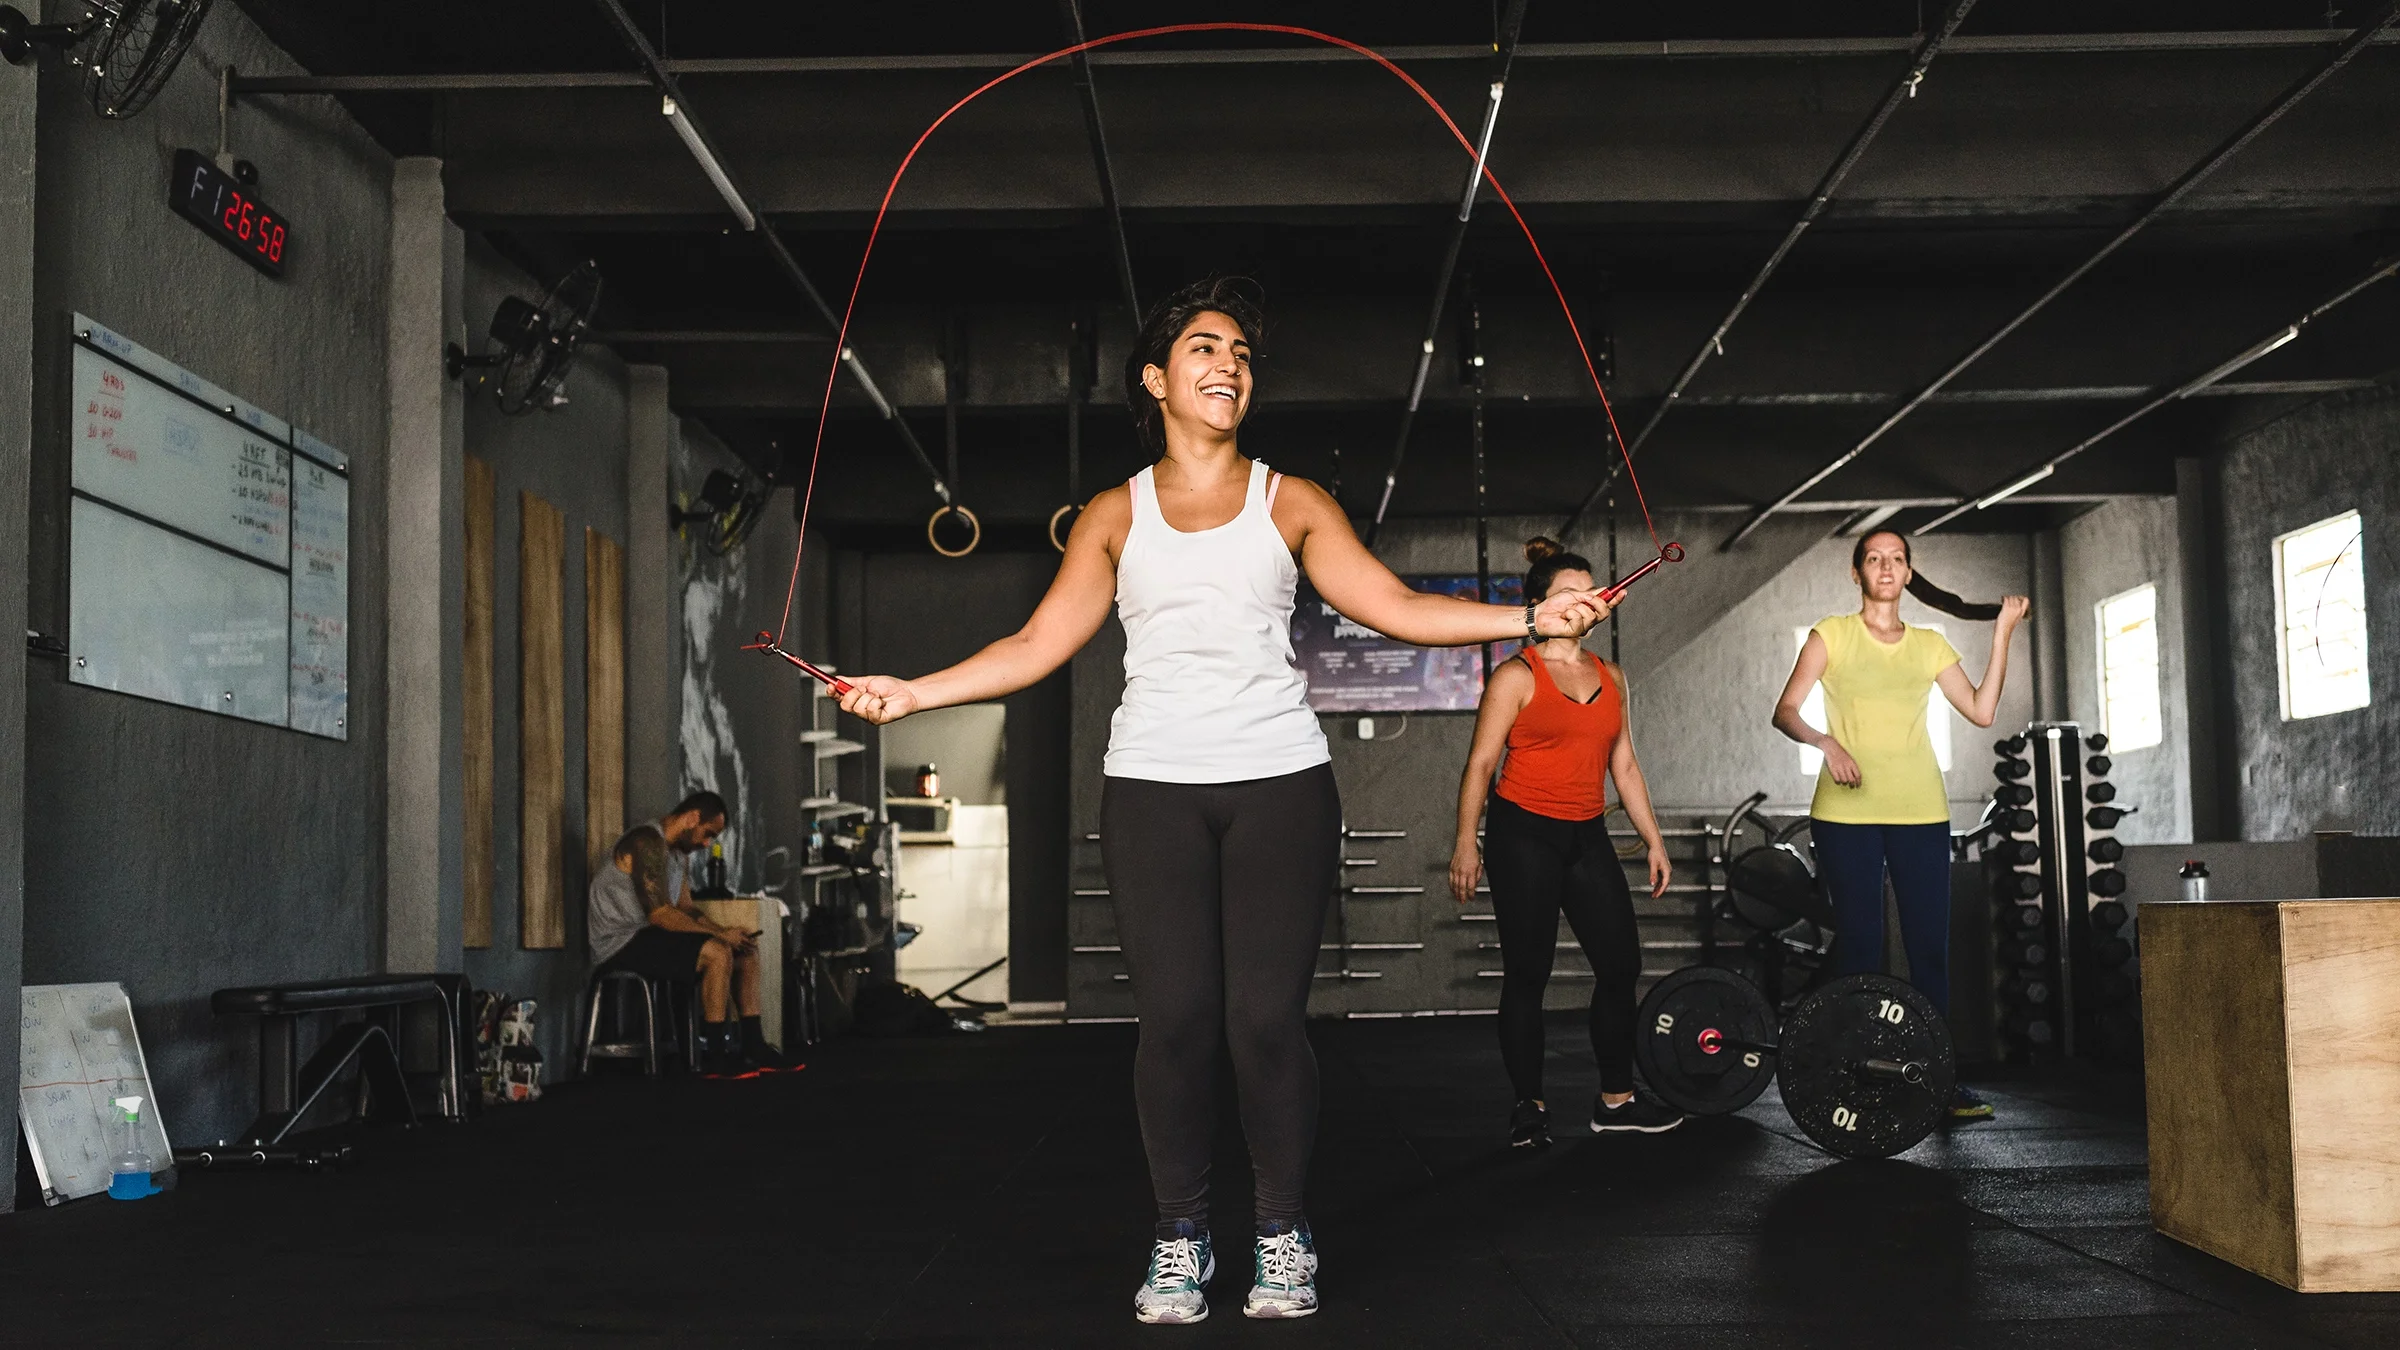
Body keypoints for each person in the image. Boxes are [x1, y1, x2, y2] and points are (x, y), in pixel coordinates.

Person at [833, 278, 1605, 1325]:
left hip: (1280, 781)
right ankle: (1180, 1235)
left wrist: (1531, 617)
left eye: (1240, 353)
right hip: (1153, 786)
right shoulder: (1115, 514)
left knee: (1264, 1024)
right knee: (1177, 1023)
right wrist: (913, 693)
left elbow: (1395, 605)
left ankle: (1283, 1233)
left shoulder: (1292, 502)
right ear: (1156, 380)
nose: (1228, 365)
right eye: (1205, 348)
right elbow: (1036, 643)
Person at [1771, 531, 2027, 1121]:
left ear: (1909, 573)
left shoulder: (1930, 645)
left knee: (1928, 949)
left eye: (1896, 559)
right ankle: (1854, 1074)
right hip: (1846, 814)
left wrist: (2002, 634)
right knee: (1861, 945)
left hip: (1921, 812)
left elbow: (1982, 710)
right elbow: (1785, 711)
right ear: (1856, 572)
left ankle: (1938, 1081)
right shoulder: (1831, 635)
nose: (1885, 567)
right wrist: (1825, 741)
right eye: (1873, 558)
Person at [1449, 538, 1681, 1148]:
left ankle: (1616, 1100)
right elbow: (1480, 765)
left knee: (1621, 966)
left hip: (1586, 833)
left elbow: (1624, 764)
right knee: (1529, 974)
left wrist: (1653, 841)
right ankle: (1529, 1105)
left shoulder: (1612, 676)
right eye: (1568, 594)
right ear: (1539, 606)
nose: (1585, 602)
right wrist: (1466, 844)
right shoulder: (1516, 676)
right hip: (1522, 834)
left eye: (1591, 592)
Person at [586, 790, 802, 1079]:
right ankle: (716, 1058)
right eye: (707, 833)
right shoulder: (646, 842)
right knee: (717, 953)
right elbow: (661, 914)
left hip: (650, 936)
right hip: (619, 941)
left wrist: (728, 934)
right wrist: (720, 936)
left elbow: (686, 909)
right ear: (691, 818)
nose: (707, 843)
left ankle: (754, 1047)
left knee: (745, 951)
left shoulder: (678, 855)